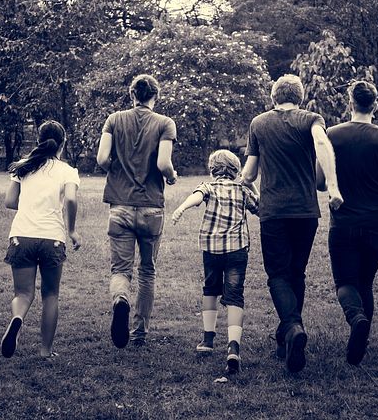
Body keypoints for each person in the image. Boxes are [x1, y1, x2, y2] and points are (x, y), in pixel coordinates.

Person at [241, 74, 343, 373]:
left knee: (277, 275)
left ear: (274, 96)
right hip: (305, 212)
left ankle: (293, 327)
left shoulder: (258, 123)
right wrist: (333, 188)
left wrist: (248, 187)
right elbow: (323, 143)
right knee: (296, 272)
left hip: (273, 211)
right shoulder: (311, 119)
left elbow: (248, 174)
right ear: (299, 97)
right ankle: (284, 336)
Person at [319, 81, 378, 366]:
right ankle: (362, 339)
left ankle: (357, 319)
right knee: (366, 281)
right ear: (375, 105)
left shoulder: (332, 135)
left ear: (350, 103)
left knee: (345, 281)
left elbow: (320, 181)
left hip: (344, 222)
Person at [96, 74, 178, 348]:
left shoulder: (114, 120)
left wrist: (116, 172)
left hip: (119, 205)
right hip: (151, 208)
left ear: (132, 95)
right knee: (147, 270)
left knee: (120, 269)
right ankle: (139, 333)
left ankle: (121, 300)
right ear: (156, 96)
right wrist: (172, 176)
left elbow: (101, 159)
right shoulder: (165, 123)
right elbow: (164, 164)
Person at [0, 121, 82, 360]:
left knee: (23, 294)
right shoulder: (67, 171)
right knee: (50, 295)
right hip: (52, 238)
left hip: (21, 235)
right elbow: (71, 200)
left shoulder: (24, 166)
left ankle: (17, 318)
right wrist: (73, 230)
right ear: (63, 144)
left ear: (38, 141)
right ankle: (45, 350)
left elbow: (9, 201)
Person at [171, 149, 258, 374]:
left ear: (212, 169)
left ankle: (208, 341)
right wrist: (250, 184)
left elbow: (197, 197)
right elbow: (261, 208)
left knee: (210, 290)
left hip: (211, 249)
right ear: (235, 170)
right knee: (235, 295)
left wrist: (182, 208)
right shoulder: (242, 190)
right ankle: (233, 348)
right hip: (237, 251)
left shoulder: (209, 186)